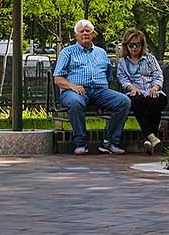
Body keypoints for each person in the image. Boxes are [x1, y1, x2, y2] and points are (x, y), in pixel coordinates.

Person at [52, 19, 130, 154]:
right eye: (81, 31)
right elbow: (58, 78)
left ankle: (110, 142)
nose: (85, 33)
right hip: (75, 91)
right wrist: (73, 86)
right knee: (75, 102)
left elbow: (108, 76)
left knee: (124, 101)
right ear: (76, 35)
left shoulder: (101, 52)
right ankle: (80, 143)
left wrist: (105, 90)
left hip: (100, 91)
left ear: (93, 34)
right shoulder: (67, 52)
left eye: (88, 31)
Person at [115, 28, 169, 151]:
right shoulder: (123, 63)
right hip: (135, 93)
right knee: (136, 100)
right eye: (131, 45)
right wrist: (131, 87)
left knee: (155, 100)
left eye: (137, 45)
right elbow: (123, 79)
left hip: (152, 90)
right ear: (126, 46)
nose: (134, 48)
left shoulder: (150, 59)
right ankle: (152, 137)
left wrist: (155, 87)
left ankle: (148, 138)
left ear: (142, 45)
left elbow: (158, 75)